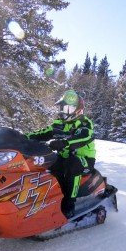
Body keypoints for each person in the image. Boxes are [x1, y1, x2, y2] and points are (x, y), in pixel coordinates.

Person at [26, 90, 96, 218]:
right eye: (63, 108)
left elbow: (84, 136)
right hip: (63, 157)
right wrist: (20, 138)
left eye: (67, 108)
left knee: (72, 163)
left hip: (84, 160)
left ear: (77, 110)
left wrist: (64, 142)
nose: (64, 111)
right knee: (43, 162)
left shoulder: (84, 123)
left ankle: (69, 204)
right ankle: (40, 201)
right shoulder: (59, 124)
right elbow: (42, 133)